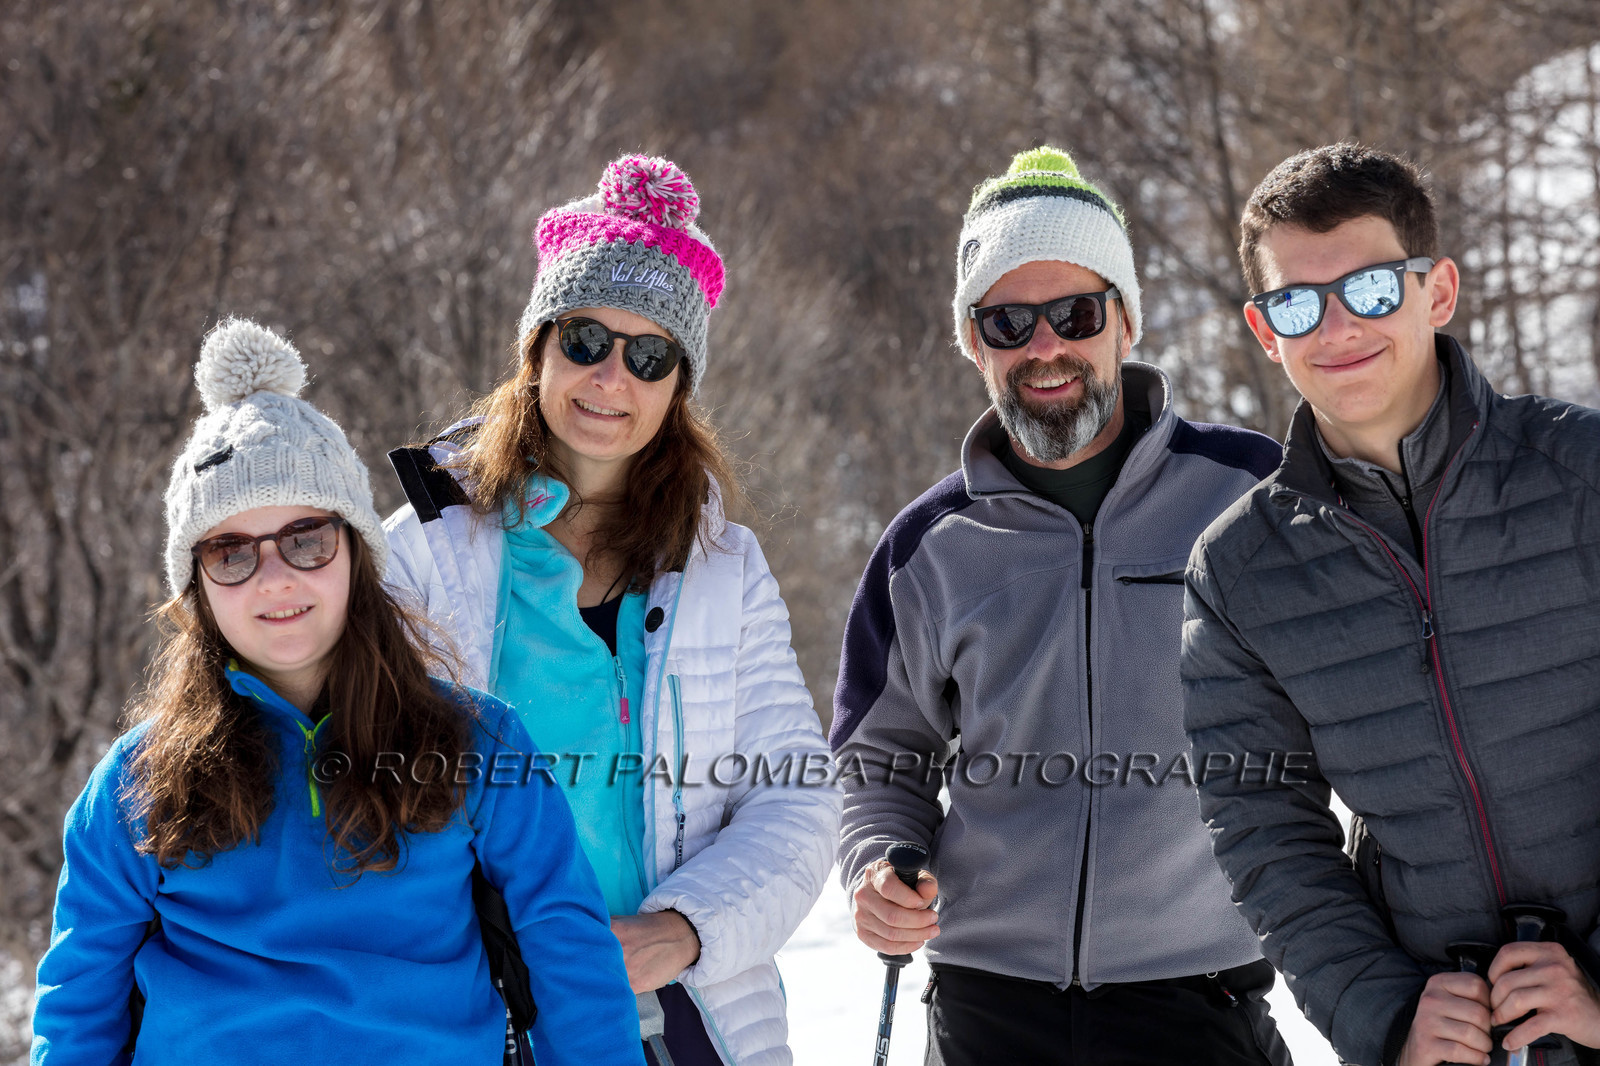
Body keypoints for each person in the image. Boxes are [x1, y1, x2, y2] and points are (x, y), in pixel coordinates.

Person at [31, 319, 643, 1065]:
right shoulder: (135, 783)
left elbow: (570, 960)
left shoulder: (476, 745)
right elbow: (76, 1017)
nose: (276, 577)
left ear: (357, 550)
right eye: (230, 553)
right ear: (195, 589)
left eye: (306, 538)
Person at [829, 146, 1292, 1065]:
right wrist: (877, 861)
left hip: (1199, 1000)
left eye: (1074, 313)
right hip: (989, 1010)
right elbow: (883, 750)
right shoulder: (929, 545)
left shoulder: (1250, 493)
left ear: (1124, 322)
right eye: (1007, 321)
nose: (1044, 347)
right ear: (972, 343)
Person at [384, 153, 841, 1066]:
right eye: (585, 341)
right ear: (537, 349)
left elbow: (793, 799)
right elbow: (360, 781)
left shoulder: (727, 572)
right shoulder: (423, 551)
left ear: (679, 386)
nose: (610, 379)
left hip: (683, 1017)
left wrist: (681, 928)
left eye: (649, 355)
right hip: (479, 1014)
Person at [1182, 143, 1600, 1066]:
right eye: (1298, 302)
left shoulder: (1582, 475)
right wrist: (1386, 1018)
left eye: (1370, 289)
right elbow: (1265, 830)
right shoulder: (1242, 570)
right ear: (1265, 329)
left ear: (1436, 291)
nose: (1337, 328)